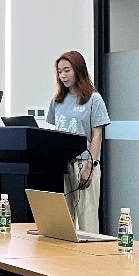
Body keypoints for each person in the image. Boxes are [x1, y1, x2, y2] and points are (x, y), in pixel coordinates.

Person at [45, 50, 110, 233]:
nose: (63, 76)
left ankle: (91, 251)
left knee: (87, 218)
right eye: (59, 72)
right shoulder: (57, 100)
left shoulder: (94, 99)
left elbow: (97, 135)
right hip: (62, 165)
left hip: (84, 163)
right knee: (64, 219)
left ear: (78, 70)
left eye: (67, 70)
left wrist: (90, 167)